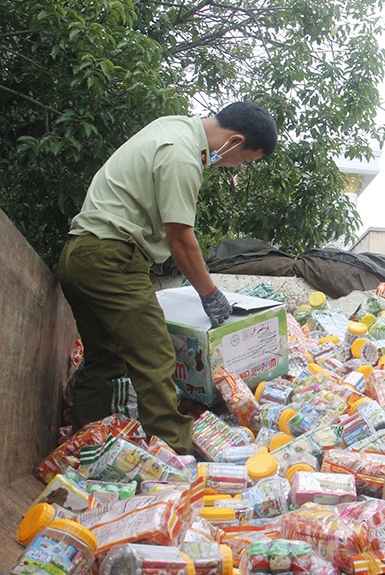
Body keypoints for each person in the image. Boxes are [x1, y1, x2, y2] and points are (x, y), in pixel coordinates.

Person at [58, 102, 278, 454]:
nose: (236, 165)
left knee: (104, 357)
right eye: (245, 159)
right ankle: (175, 451)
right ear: (236, 141)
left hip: (80, 253)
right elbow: (180, 238)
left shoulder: (170, 127)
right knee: (156, 355)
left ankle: (86, 446)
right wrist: (210, 294)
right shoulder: (182, 155)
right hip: (112, 258)